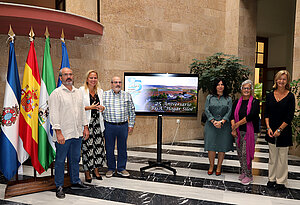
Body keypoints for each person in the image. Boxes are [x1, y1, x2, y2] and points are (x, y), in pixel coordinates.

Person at [49, 67, 90, 199]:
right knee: (60, 161)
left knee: (75, 159)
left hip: (77, 133)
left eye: (70, 74)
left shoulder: (78, 92)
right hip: (64, 134)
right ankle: (59, 185)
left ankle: (75, 181)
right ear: (60, 77)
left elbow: (82, 111)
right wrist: (59, 133)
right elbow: (54, 115)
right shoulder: (56, 93)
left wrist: (85, 127)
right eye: (65, 75)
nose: (69, 77)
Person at [265, 70, 295, 190]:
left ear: (287, 81)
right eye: (279, 79)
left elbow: (289, 116)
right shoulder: (270, 95)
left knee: (282, 157)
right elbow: (266, 113)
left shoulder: (290, 96)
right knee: (272, 156)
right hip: (271, 130)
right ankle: (271, 179)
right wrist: (268, 128)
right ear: (276, 80)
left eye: (284, 79)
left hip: (284, 130)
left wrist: (280, 130)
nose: (281, 81)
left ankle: (281, 181)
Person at [102, 76, 136, 178]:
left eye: (119, 82)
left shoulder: (127, 95)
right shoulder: (104, 95)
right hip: (109, 126)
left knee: (122, 148)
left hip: (123, 126)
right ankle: (111, 168)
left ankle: (121, 168)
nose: (118, 84)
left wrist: (131, 125)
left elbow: (132, 111)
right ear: (111, 84)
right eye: (115, 82)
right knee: (109, 147)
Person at [231, 80, 260, 185]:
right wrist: (234, 129)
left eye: (248, 88)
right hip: (239, 132)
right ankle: (244, 171)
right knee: (240, 153)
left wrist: (237, 124)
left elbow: (251, 116)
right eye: (244, 88)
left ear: (251, 90)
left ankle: (249, 175)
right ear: (241, 89)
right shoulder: (237, 102)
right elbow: (232, 116)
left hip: (251, 132)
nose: (246, 90)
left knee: (245, 153)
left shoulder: (255, 102)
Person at [79, 70, 106, 183]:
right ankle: (87, 172)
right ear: (87, 79)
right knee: (87, 149)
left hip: (98, 124)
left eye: (95, 78)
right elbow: (78, 107)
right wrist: (89, 107)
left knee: (98, 149)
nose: (93, 80)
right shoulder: (81, 91)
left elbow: (103, 106)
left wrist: (102, 108)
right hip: (87, 124)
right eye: (91, 78)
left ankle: (96, 170)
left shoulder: (100, 91)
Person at [204, 79, 233, 176]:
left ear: (224, 86)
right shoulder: (209, 97)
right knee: (211, 146)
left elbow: (229, 111)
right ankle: (211, 166)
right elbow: (206, 109)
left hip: (224, 125)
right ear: (215, 86)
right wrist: (213, 120)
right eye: (218, 84)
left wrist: (222, 121)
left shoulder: (228, 98)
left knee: (221, 146)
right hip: (211, 124)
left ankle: (219, 166)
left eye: (222, 84)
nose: (220, 86)